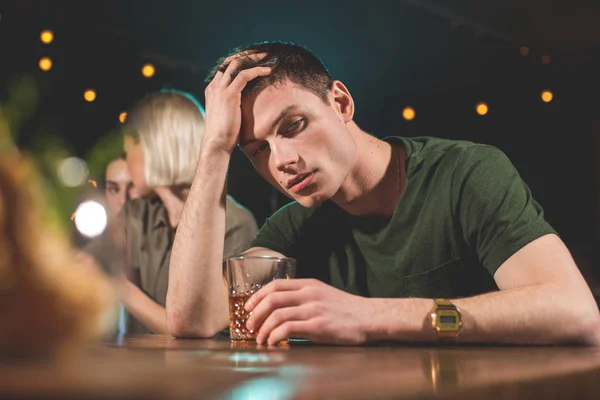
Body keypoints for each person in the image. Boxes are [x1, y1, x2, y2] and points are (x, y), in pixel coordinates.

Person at [166, 41, 600, 345]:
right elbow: (194, 319)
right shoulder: (296, 225)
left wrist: (368, 316)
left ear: (340, 103)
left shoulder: (465, 173)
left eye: (293, 126)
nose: (280, 161)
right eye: (258, 150)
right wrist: (215, 148)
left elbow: (575, 312)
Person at [84, 89, 258, 334]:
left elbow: (196, 327)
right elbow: (87, 262)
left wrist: (118, 285)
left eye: (129, 151)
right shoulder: (137, 214)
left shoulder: (235, 224)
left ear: (155, 148)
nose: (126, 161)